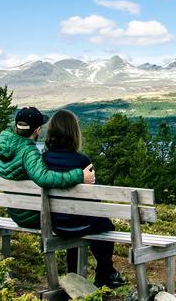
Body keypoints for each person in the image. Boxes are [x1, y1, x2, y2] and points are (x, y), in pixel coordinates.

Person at [43, 109, 126, 289]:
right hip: (78, 222)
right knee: (105, 226)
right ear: (74, 133)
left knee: (85, 222)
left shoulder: (42, 160)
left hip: (53, 222)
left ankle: (77, 275)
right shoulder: (82, 161)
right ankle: (105, 272)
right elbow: (93, 200)